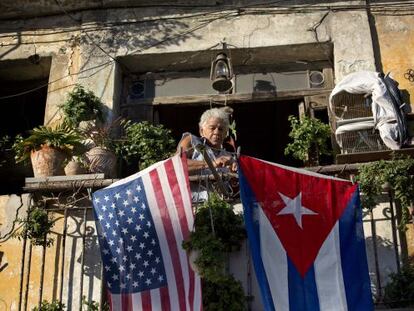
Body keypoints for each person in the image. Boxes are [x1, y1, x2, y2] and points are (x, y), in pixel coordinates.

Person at [177, 107, 237, 201]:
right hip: (194, 205)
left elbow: (235, 187)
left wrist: (233, 174)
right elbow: (176, 165)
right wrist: (212, 163)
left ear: (225, 133)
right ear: (201, 131)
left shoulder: (228, 156)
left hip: (222, 207)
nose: (216, 132)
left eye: (221, 129)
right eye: (212, 128)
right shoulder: (191, 141)